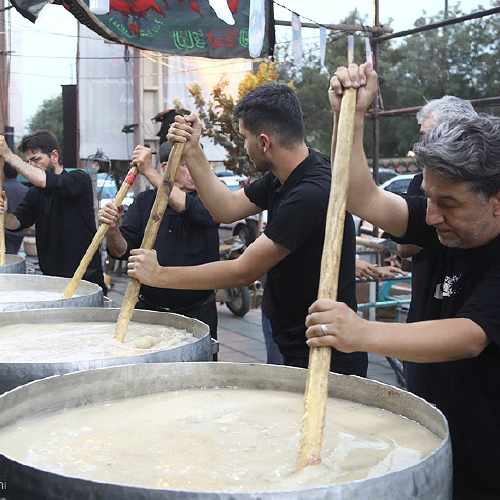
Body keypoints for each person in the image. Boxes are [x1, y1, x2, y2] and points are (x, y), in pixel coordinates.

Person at [306, 62, 500, 499]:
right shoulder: (440, 219)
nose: (430, 217)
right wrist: (351, 116)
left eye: (448, 204)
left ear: (496, 201)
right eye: (428, 198)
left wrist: (360, 332)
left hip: (488, 454)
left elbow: (470, 336)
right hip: (430, 428)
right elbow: (361, 196)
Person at [128, 83, 367, 376]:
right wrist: (191, 150)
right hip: (295, 337)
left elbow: (244, 271)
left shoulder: (311, 192)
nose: (244, 146)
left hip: (326, 352)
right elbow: (225, 208)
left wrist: (159, 275)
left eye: (244, 138)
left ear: (264, 142)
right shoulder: (282, 177)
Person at [98, 142, 219, 342]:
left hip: (198, 314)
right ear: (166, 167)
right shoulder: (144, 201)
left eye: (197, 163)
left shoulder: (211, 199)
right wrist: (113, 228)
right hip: (149, 313)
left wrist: (149, 171)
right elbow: (120, 250)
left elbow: (199, 213)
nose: (194, 171)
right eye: (185, 164)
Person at [0, 130, 105, 291]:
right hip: (52, 280)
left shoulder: (78, 179)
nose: (32, 165)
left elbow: (44, 180)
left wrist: (9, 155)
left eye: (36, 159)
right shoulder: (35, 193)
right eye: (28, 161)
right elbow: (17, 223)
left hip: (85, 279)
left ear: (54, 156)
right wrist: (4, 215)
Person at [2, 162, 28, 254]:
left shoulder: (2, 188)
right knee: (14, 257)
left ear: (3, 172)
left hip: (5, 231)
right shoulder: (25, 189)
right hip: (20, 232)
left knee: (7, 259)